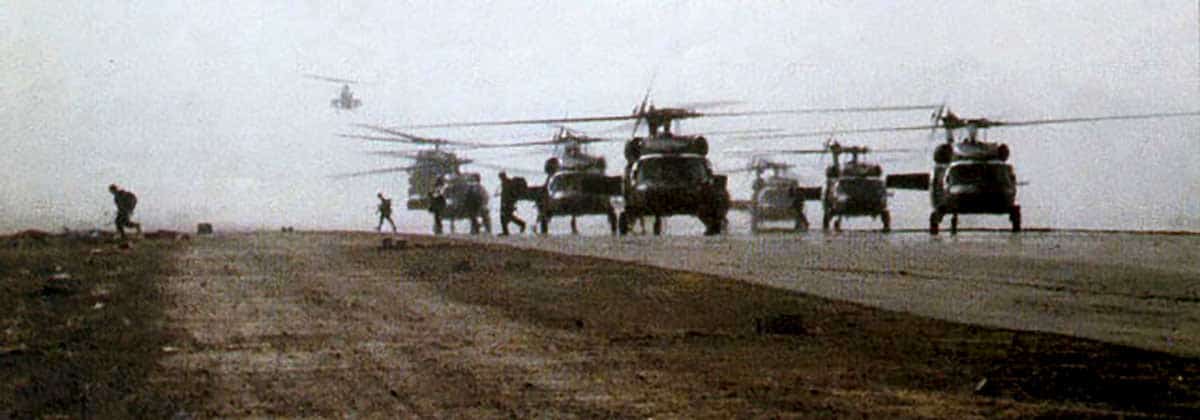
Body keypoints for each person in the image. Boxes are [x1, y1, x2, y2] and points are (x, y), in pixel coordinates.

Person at [497, 171, 526, 236]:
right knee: (508, 217)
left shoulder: (508, 183)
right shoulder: (505, 183)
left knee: (506, 217)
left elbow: (509, 194)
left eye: (501, 176)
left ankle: (521, 224)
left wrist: (508, 203)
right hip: (506, 203)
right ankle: (520, 224)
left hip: (508, 203)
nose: (500, 178)